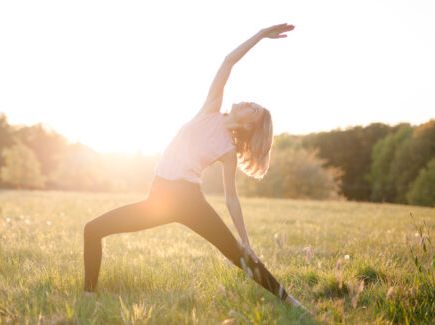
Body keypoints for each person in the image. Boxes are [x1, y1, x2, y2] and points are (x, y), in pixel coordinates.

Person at [82, 23, 304, 309]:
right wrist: (260, 36)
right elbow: (228, 61)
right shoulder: (210, 109)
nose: (249, 103)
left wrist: (245, 240)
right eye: (253, 103)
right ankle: (88, 296)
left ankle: (291, 302)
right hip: (158, 199)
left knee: (238, 255)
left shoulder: (228, 150)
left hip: (189, 200)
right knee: (93, 229)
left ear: (251, 124)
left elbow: (231, 197)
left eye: (254, 109)